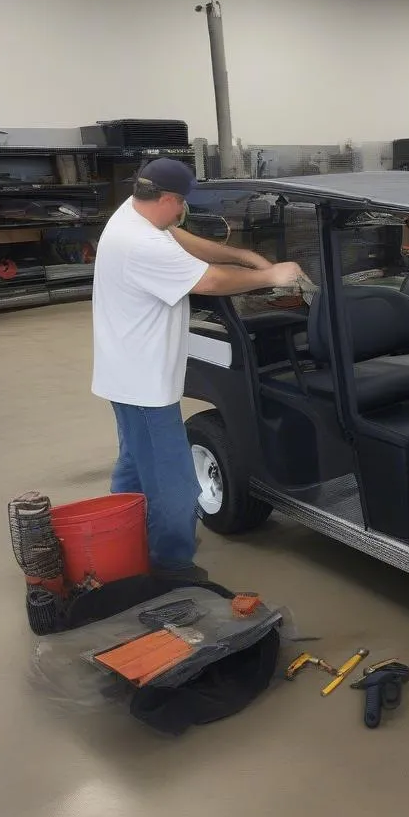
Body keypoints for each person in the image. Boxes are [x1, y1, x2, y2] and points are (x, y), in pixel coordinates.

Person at [91, 157, 303, 580]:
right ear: (169, 198)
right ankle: (172, 566)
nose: (182, 212)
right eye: (182, 203)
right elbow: (209, 282)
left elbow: (179, 237)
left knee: (135, 462)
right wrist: (271, 275)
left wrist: (242, 255)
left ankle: (125, 538)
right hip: (146, 385)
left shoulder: (133, 213)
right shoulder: (140, 244)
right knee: (174, 484)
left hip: (123, 372)